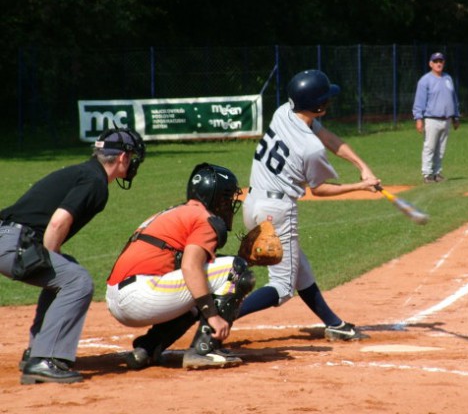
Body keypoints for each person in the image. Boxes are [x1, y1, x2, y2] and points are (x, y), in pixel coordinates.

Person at [237, 69, 380, 341]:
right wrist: (361, 186)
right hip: (277, 212)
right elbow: (319, 189)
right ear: (318, 106)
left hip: (253, 202)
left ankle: (335, 323)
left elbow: (329, 138)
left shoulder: (284, 113)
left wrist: (362, 166)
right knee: (281, 288)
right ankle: (223, 315)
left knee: (301, 270)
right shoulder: (309, 148)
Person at [0, 127, 146, 385]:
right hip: (13, 242)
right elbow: (58, 223)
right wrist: (49, 255)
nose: (132, 163)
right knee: (77, 281)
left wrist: (52, 258)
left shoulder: (87, 172)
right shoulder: (95, 181)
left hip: (11, 238)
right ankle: (43, 360)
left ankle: (37, 352)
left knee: (67, 270)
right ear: (122, 157)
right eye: (131, 157)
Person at [106, 163, 255, 370]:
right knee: (235, 270)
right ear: (218, 197)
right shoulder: (204, 218)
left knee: (201, 287)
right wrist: (213, 316)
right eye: (227, 198)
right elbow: (191, 267)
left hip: (117, 297)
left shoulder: (174, 212)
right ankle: (205, 349)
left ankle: (147, 349)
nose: (229, 204)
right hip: (143, 295)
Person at [412, 52, 461, 183]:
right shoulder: (425, 80)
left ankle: (437, 173)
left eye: (441, 61)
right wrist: (418, 118)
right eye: (436, 61)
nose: (439, 63)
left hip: (447, 119)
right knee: (430, 147)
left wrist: (456, 116)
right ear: (431, 64)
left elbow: (453, 98)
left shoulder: (448, 78)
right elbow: (419, 100)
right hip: (432, 119)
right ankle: (427, 174)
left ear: (444, 63)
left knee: (441, 149)